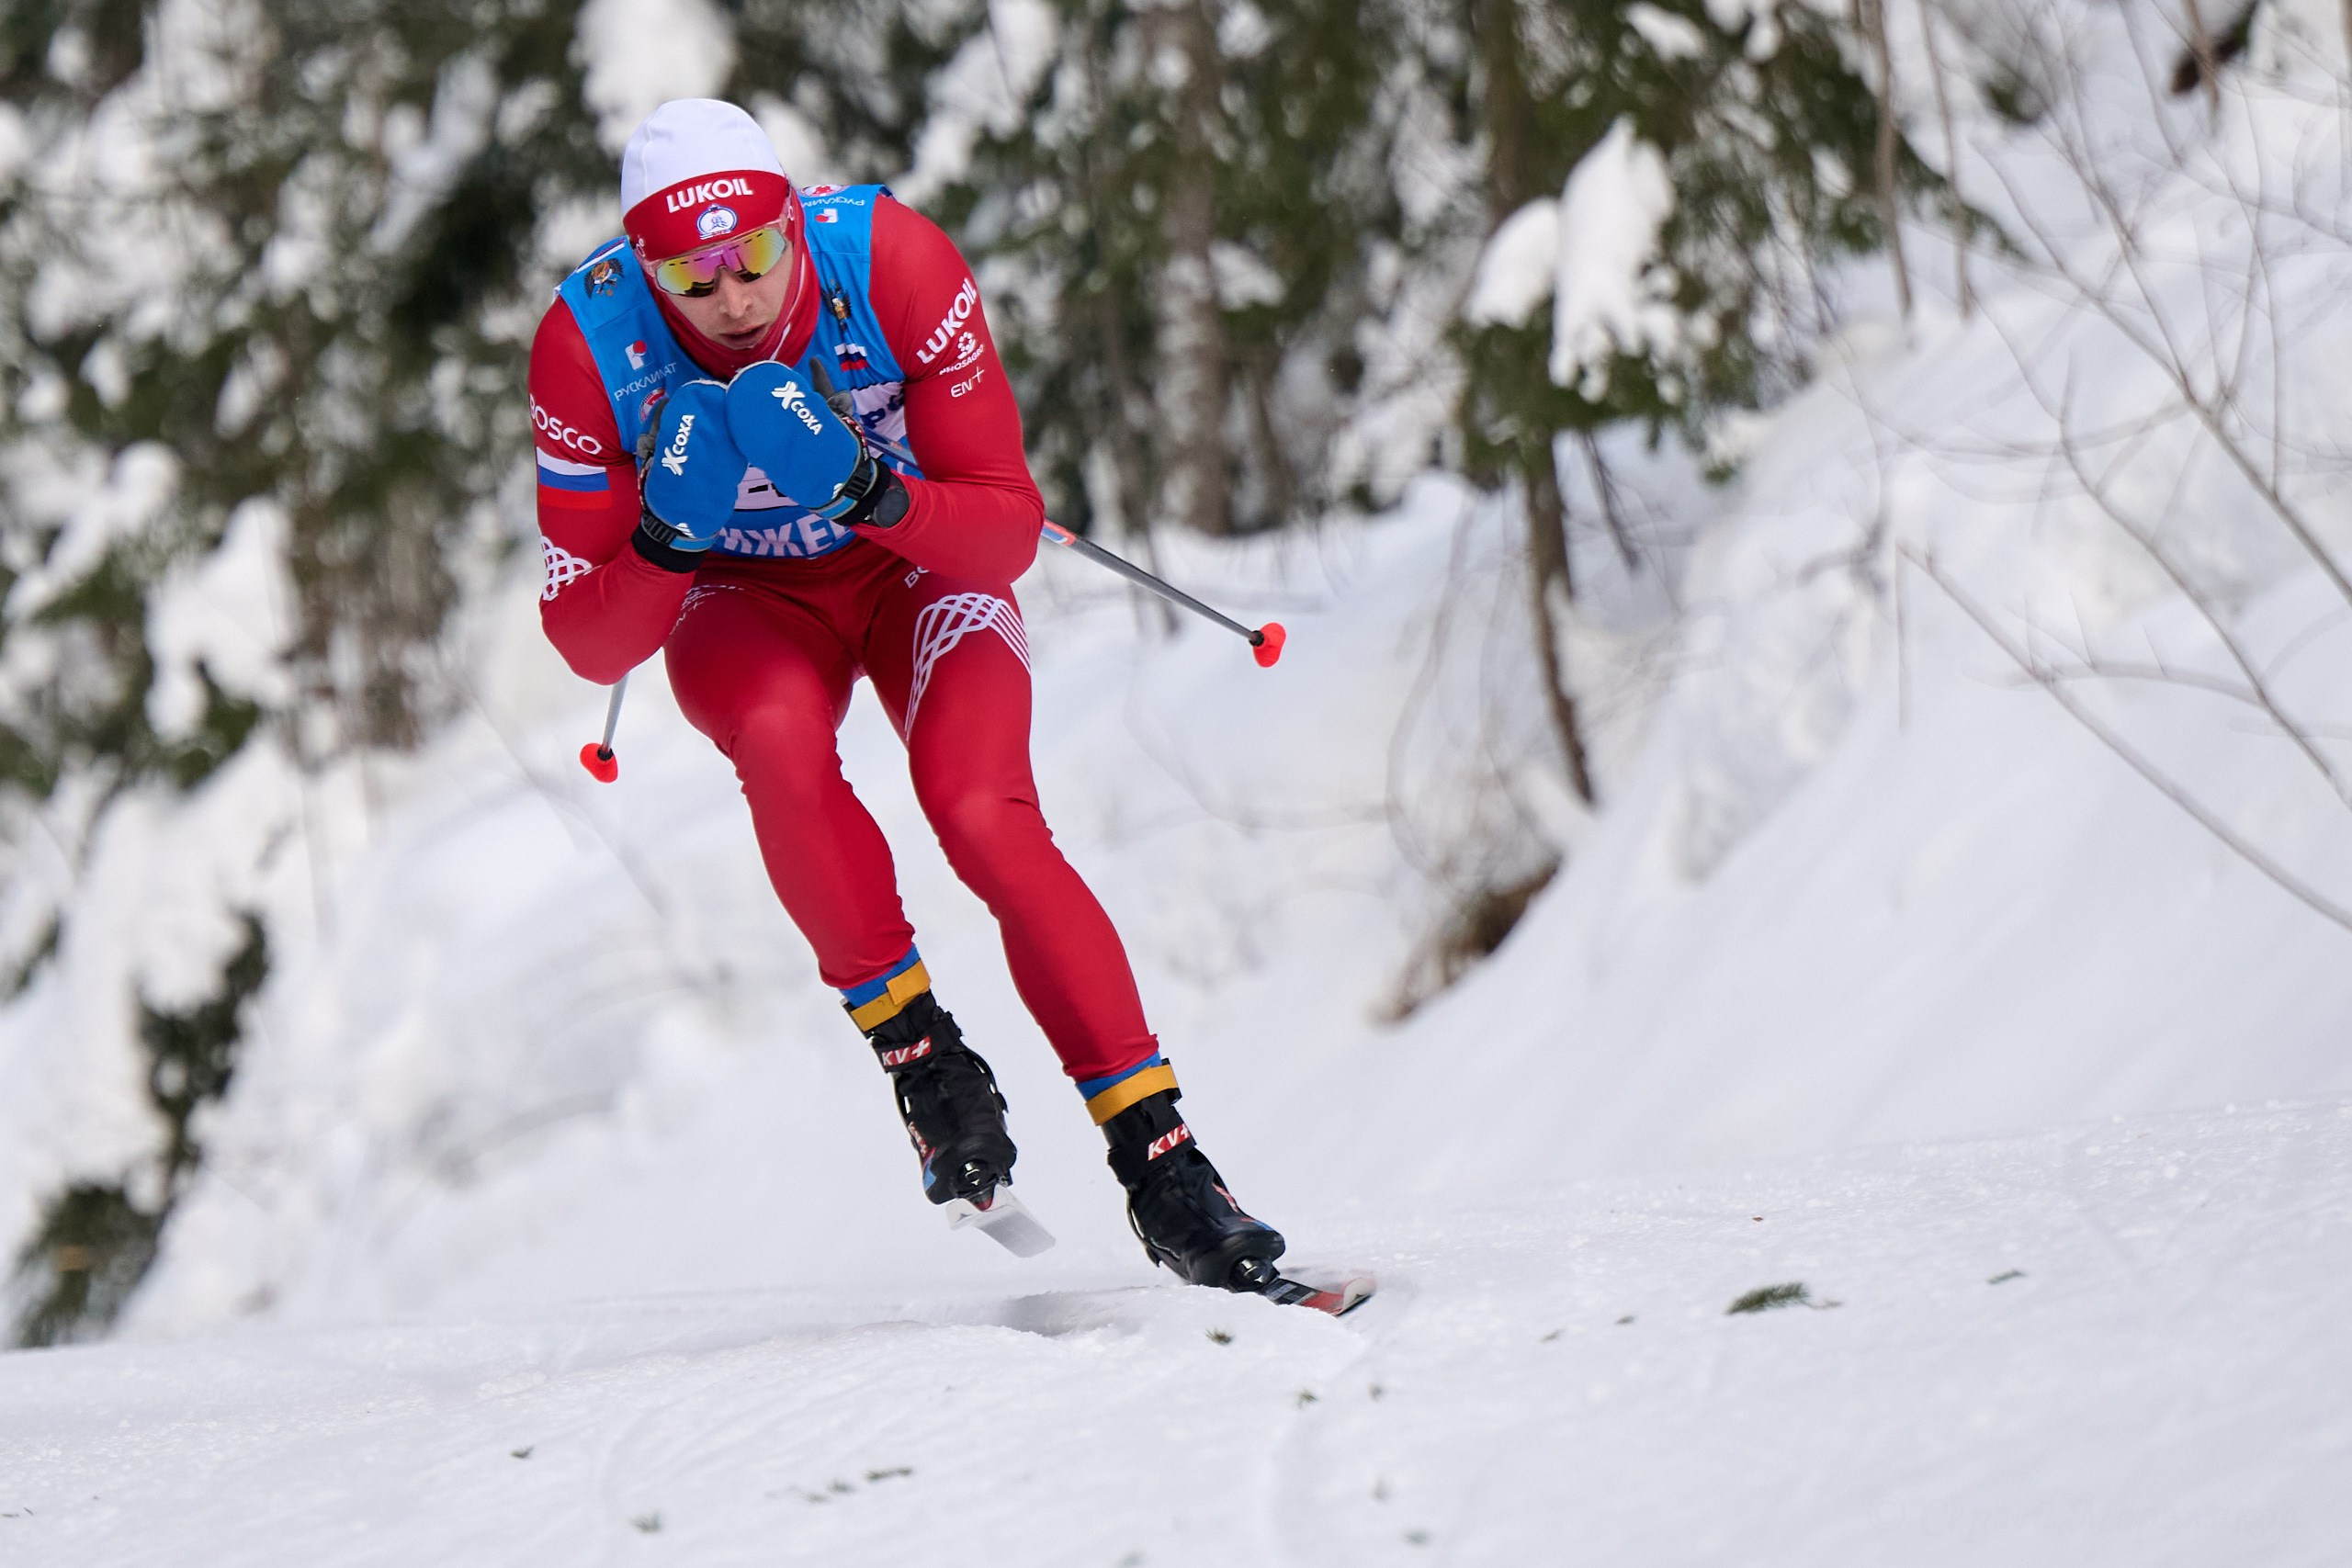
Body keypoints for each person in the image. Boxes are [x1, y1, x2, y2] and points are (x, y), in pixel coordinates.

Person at [526, 98, 1287, 1293]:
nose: (731, 297)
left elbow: (1004, 535)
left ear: (795, 221)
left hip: (919, 567)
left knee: (981, 810)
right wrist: (670, 537)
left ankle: (1166, 1165)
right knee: (776, 742)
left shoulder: (889, 262)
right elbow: (587, 638)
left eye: (755, 256)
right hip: (744, 602)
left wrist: (874, 490)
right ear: (642, 270)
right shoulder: (589, 344)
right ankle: (926, 1062)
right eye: (690, 275)